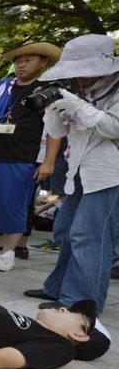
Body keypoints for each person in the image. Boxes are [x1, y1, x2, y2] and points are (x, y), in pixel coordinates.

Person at [25, 34, 119, 315]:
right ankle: (58, 287)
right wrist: (54, 110)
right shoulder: (80, 91)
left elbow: (114, 128)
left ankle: (80, 301)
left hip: (109, 175)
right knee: (65, 229)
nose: (79, 77)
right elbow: (59, 133)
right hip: (79, 170)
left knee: (90, 236)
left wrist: (77, 105)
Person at [0, 41, 63, 272]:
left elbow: (56, 128)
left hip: (21, 158)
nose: (21, 65)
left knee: (13, 206)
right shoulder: (2, 86)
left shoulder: (48, 89)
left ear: (43, 62)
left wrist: (48, 162)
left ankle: (8, 252)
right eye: (18, 61)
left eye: (28, 60)